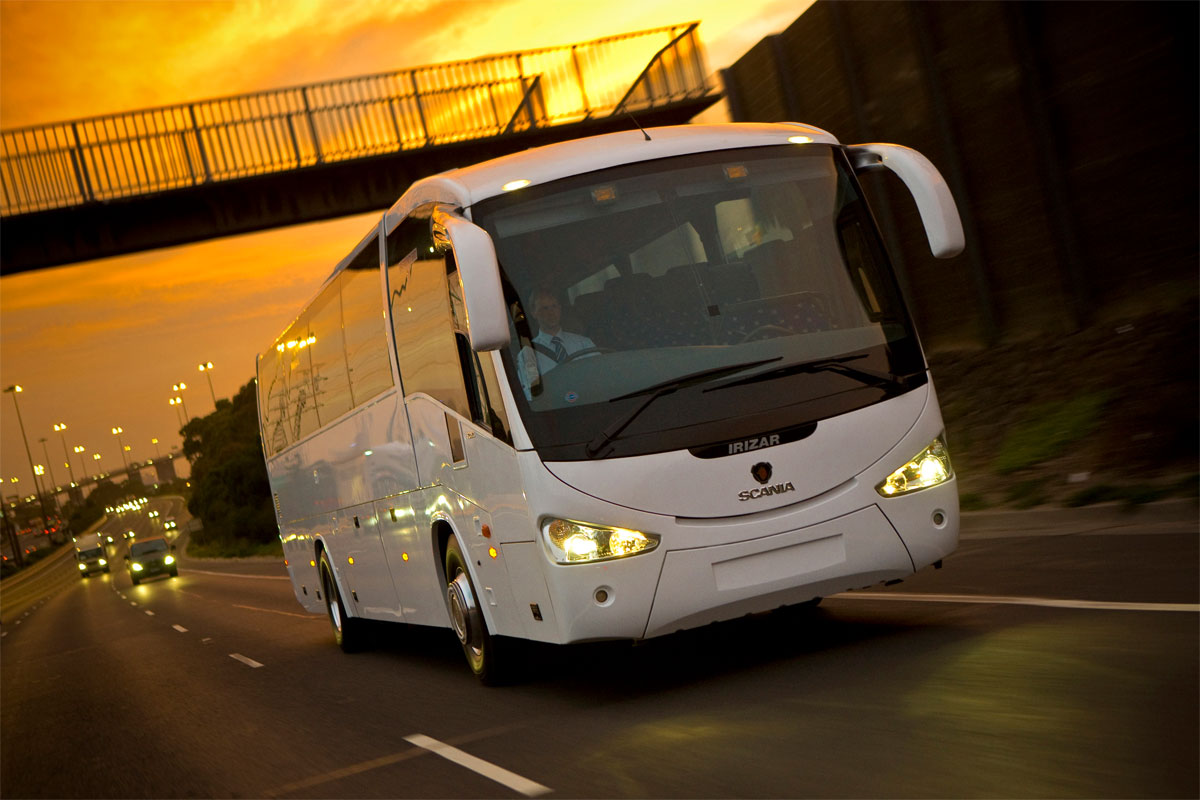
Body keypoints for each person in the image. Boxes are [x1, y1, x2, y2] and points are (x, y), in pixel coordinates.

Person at [518, 287, 596, 399]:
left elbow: (598, 377)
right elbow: (533, 395)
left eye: (554, 306)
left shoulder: (584, 343)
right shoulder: (528, 354)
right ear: (534, 313)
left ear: (560, 309)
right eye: (544, 308)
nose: (551, 312)